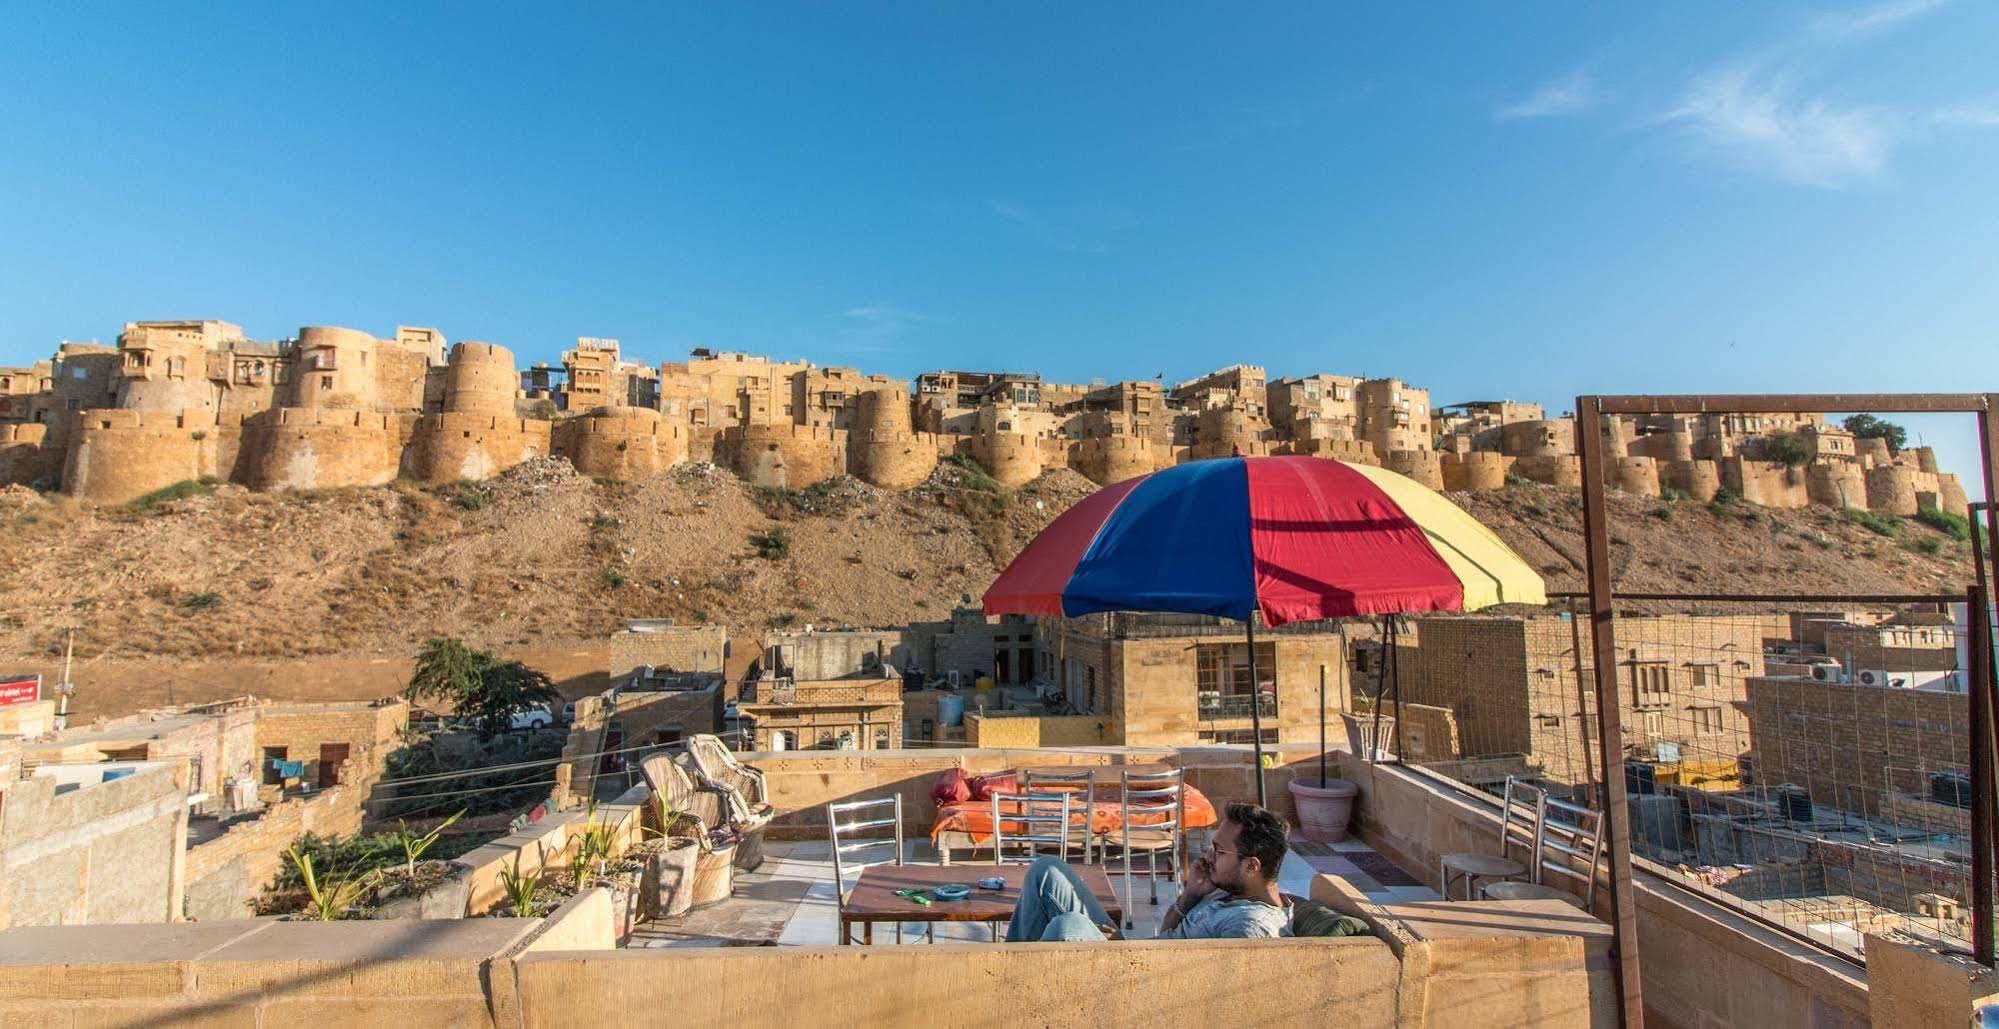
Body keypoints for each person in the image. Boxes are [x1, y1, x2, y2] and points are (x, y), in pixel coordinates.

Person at [1004, 802, 1293, 941]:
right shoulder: (1230, 889)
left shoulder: (1250, 927)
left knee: (1067, 926)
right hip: (1142, 955)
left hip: (1139, 981)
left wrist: (1128, 954)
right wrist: (1191, 895)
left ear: (1251, 865)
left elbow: (1187, 991)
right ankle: (1009, 981)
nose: (1208, 855)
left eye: (1219, 850)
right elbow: (1168, 933)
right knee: (1047, 871)